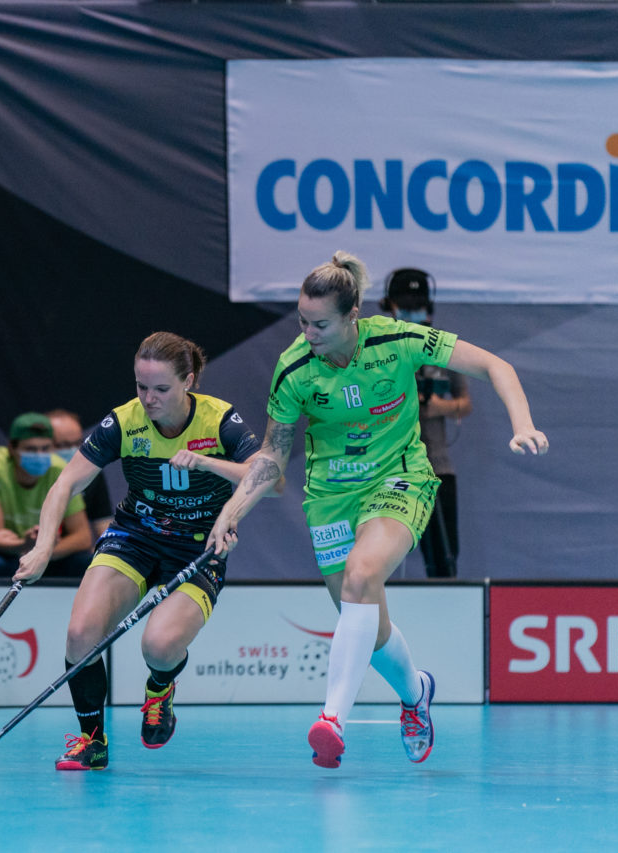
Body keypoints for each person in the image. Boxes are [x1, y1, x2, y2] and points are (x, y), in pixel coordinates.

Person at [207, 251, 548, 769]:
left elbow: (494, 366)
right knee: (367, 618)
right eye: (302, 320)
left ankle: (331, 720)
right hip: (329, 499)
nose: (308, 332)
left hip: (400, 477)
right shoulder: (294, 369)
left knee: (362, 574)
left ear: (352, 317)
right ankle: (416, 695)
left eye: (320, 323)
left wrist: (521, 424)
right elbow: (273, 457)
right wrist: (234, 508)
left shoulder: (398, 339)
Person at [14, 332, 266, 771]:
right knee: (80, 635)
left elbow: (269, 479)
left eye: (161, 389)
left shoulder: (220, 421)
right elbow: (66, 483)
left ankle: (160, 688)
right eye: (140, 386)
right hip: (134, 536)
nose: (148, 398)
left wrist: (207, 462)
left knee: (160, 646)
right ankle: (91, 742)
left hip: (197, 548)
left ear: (189, 381)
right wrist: (42, 548)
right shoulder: (124, 422)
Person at [379, 268, 471, 577]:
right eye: (404, 306)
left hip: (437, 466)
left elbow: (464, 402)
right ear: (389, 306)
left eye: (416, 306)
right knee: (382, 553)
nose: (411, 313)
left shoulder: (441, 348)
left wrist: (436, 407)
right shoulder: (377, 351)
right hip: (388, 466)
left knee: (444, 556)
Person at [0, 412, 92, 578]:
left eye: (45, 448)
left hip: (40, 555)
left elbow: (82, 537)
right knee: (1, 567)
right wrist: (25, 544)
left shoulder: (61, 470)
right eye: (30, 449)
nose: (39, 455)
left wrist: (42, 552)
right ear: (12, 448)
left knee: (87, 564)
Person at [47, 408, 114, 538]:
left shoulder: (91, 472)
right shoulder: (32, 476)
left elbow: (103, 525)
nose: (74, 450)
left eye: (78, 443)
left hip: (72, 552)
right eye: (64, 445)